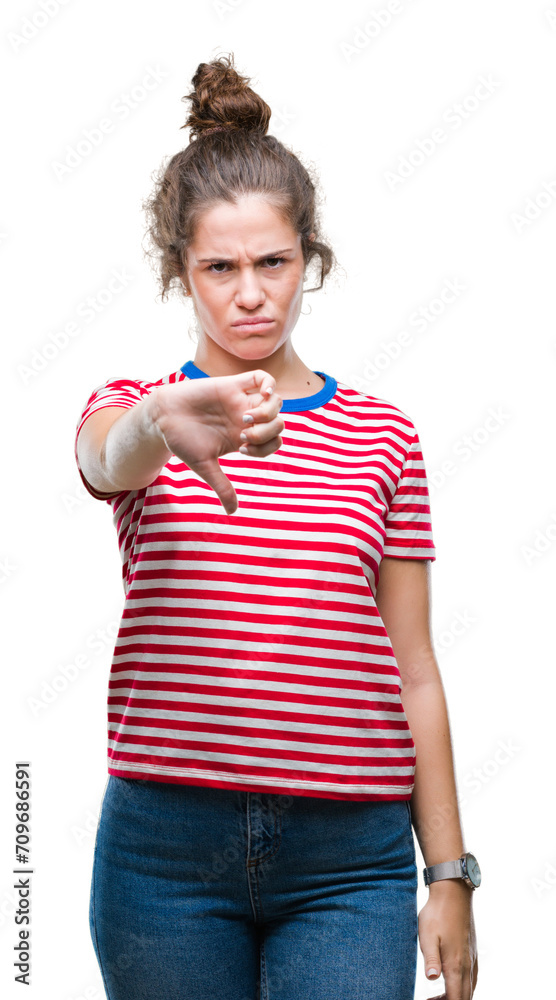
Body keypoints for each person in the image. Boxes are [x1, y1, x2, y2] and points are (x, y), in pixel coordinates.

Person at [74, 53, 479, 1000]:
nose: (249, 293)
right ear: (182, 270)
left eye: (273, 262)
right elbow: (103, 459)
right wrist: (159, 423)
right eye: (219, 267)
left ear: (312, 259)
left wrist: (450, 876)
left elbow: (413, 663)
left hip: (350, 863)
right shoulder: (136, 409)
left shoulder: (385, 435)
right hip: (163, 860)